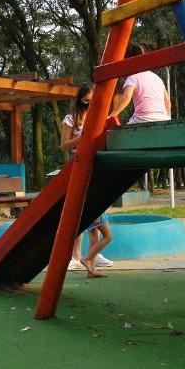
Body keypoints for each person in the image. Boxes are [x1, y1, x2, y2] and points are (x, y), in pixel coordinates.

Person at [59, 85, 114, 276]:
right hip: (78, 166)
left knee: (94, 228)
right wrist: (81, 138)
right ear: (83, 101)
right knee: (89, 218)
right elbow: (64, 146)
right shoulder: (71, 119)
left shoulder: (95, 116)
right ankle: (81, 257)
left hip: (93, 167)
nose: (94, 103)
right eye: (90, 100)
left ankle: (91, 260)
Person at [109, 44, 172, 124]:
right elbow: (168, 103)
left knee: (125, 128)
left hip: (143, 119)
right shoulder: (157, 78)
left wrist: (111, 116)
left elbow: (126, 98)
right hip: (163, 119)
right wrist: (167, 119)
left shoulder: (132, 78)